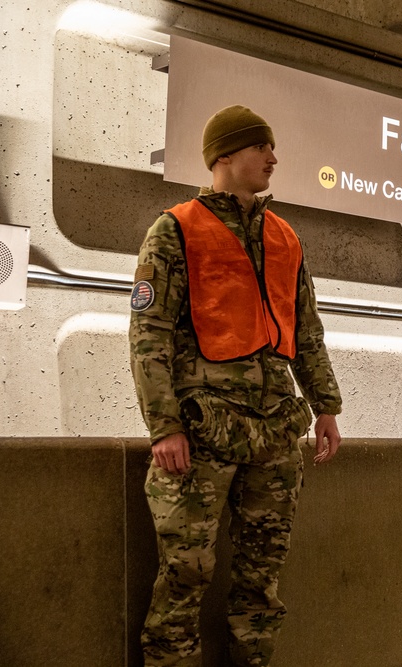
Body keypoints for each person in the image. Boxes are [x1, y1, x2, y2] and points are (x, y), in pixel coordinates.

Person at [129, 104, 343, 666]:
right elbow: (148, 333)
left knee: (262, 576)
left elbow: (306, 330)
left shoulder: (285, 238)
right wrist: (164, 426)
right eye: (260, 148)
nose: (273, 158)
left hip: (275, 433)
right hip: (203, 431)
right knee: (185, 575)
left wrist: (325, 406)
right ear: (224, 156)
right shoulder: (175, 230)